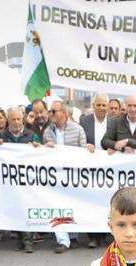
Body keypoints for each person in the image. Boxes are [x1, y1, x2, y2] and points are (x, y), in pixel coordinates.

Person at [44, 100, 94, 252]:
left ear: (64, 113)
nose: (51, 114)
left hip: (73, 176)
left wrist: (88, 148)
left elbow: (83, 150)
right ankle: (63, 241)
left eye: (54, 111)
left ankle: (73, 237)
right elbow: (43, 155)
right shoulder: (48, 132)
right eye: (50, 111)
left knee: (73, 205)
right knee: (57, 206)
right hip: (56, 178)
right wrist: (45, 148)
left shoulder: (78, 129)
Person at [0, 107, 40, 252]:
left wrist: (38, 148)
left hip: (27, 181)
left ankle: (27, 241)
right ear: (8, 120)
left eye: (18, 119)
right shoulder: (1, 136)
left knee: (25, 207)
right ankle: (21, 239)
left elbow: (41, 155)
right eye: (13, 119)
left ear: (23, 120)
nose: (15, 122)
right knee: (16, 208)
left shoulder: (32, 135)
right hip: (9, 181)